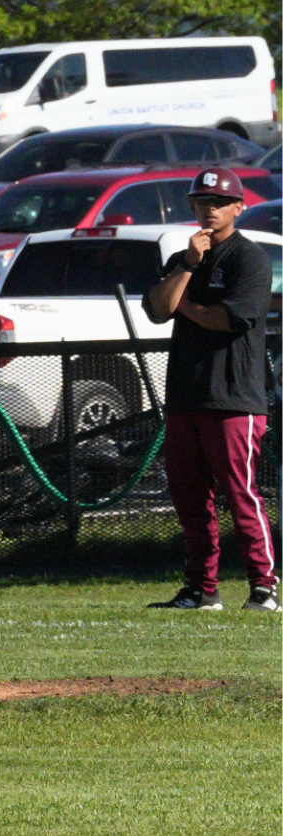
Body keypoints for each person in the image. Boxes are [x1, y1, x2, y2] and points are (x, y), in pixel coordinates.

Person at [142, 167, 276, 611]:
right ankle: (202, 590)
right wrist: (186, 266)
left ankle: (264, 588)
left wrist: (187, 305)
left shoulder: (248, 259)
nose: (210, 209)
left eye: (219, 202)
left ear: (239, 207)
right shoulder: (184, 259)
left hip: (233, 398)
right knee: (189, 498)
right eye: (202, 202)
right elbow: (159, 310)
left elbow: (229, 318)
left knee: (240, 494)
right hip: (186, 395)